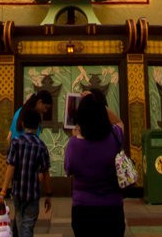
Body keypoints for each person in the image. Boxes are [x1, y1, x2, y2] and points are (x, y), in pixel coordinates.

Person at [62, 89, 126, 237]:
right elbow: (118, 122)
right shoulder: (115, 136)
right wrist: (97, 103)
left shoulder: (73, 145)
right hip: (112, 208)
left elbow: (68, 169)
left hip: (83, 209)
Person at [0, 90, 53, 237]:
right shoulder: (40, 144)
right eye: (46, 107)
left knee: (19, 216)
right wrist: (41, 175)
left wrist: (4, 189)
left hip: (18, 181)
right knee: (27, 223)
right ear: (40, 102)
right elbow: (44, 167)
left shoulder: (19, 112)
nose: (45, 111)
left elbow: (9, 138)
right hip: (30, 180)